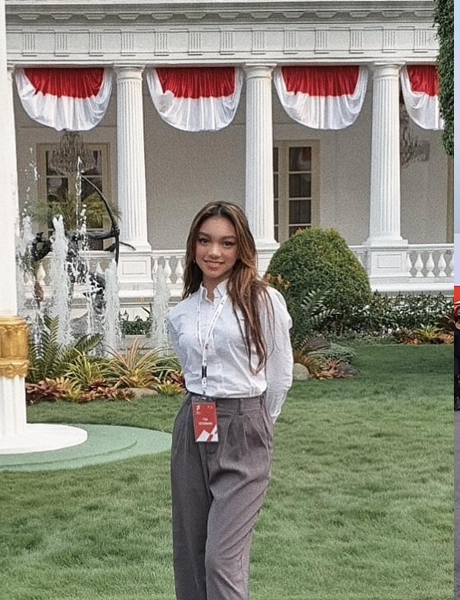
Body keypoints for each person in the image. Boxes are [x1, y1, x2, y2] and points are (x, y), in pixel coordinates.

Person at [167, 201, 294, 600]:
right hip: (194, 423)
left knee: (222, 559)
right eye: (205, 241)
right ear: (193, 246)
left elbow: (280, 375)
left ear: (241, 249)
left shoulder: (263, 301)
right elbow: (192, 369)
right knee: (191, 552)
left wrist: (256, 423)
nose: (214, 252)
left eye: (226, 242)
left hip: (245, 425)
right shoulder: (182, 313)